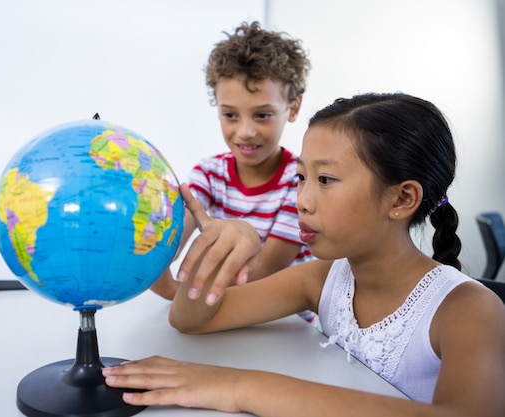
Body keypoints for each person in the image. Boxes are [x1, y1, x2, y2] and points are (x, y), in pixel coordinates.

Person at [103, 92, 505, 416]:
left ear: (402, 198)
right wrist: (225, 245)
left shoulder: (470, 309)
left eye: (325, 179)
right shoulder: (321, 277)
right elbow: (189, 320)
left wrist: (242, 386)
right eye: (301, 177)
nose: (302, 200)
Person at [151, 21, 315, 314]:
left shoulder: (302, 181)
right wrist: (149, 252)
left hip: (285, 326)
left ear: (293, 108)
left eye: (262, 115)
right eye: (230, 115)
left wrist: (170, 289)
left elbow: (260, 272)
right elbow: (170, 243)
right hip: (223, 316)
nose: (245, 132)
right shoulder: (209, 174)